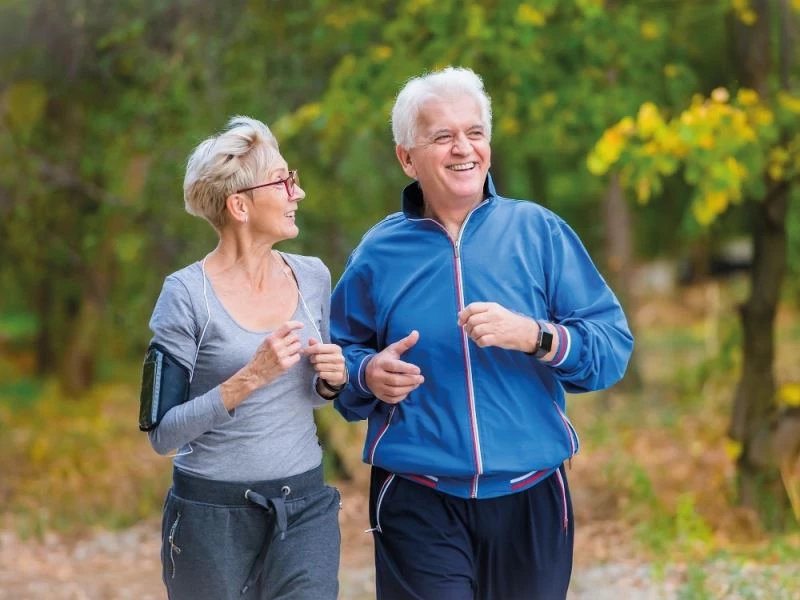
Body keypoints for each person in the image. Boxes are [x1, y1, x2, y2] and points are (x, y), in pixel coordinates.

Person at [330, 67, 634, 599]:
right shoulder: (378, 253)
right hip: (418, 497)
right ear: (407, 157)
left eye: (474, 133)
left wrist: (537, 337)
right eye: (442, 136)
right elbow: (338, 359)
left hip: (532, 493)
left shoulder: (538, 232)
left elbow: (611, 348)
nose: (462, 149)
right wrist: (366, 373)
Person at [139, 116, 345, 599]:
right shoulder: (186, 294)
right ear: (239, 204)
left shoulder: (312, 277)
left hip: (305, 506)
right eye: (284, 180)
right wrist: (248, 378)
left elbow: (314, 397)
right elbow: (163, 435)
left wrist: (331, 381)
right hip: (211, 517)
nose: (299, 193)